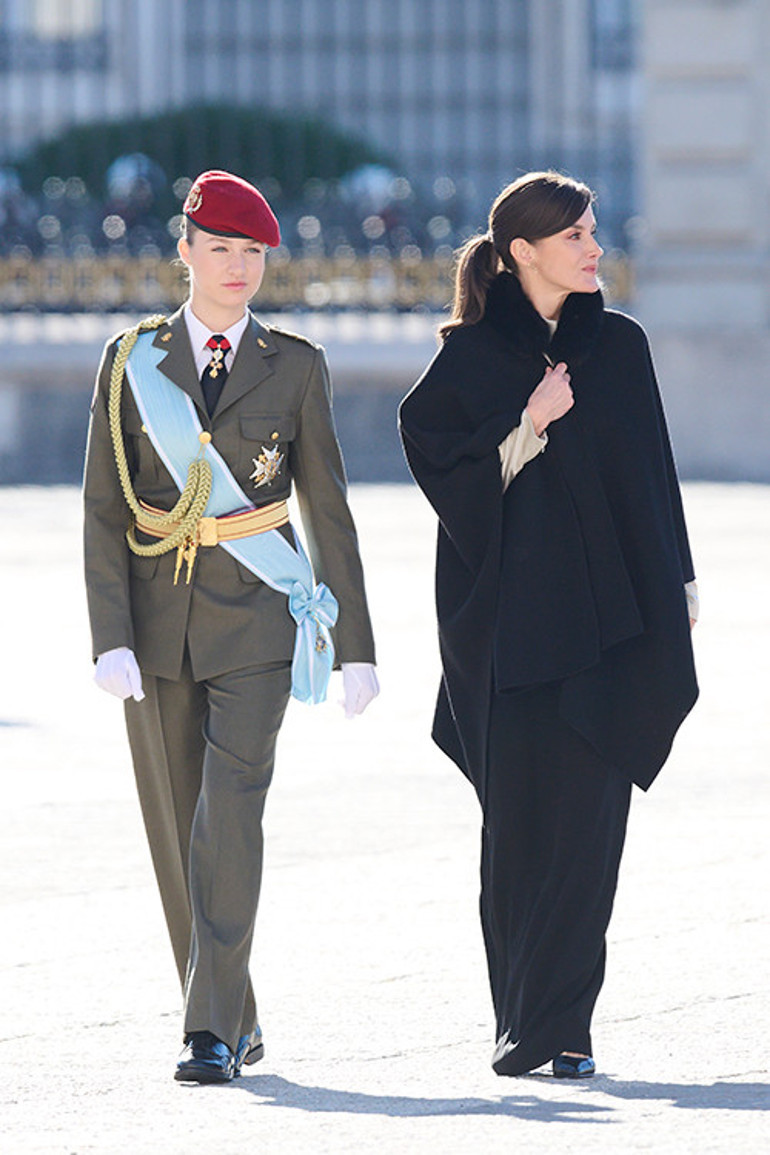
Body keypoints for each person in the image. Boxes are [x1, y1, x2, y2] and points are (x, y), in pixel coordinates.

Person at [399, 171, 698, 1079]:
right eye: (574, 235)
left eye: (593, 231)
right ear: (522, 250)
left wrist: (679, 586)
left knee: (589, 838)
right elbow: (443, 470)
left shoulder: (620, 346)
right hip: (512, 636)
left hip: (612, 630)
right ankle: (517, 1017)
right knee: (518, 836)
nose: (594, 247)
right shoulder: (472, 357)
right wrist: (527, 421)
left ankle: (565, 1028)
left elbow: (653, 475)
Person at [83, 169, 379, 1084]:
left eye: (252, 252)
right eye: (220, 248)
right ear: (186, 251)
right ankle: (233, 1017)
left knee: (229, 816)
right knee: (178, 830)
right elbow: (103, 508)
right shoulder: (132, 361)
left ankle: (206, 1032)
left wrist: (357, 646)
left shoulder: (296, 365)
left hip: (259, 622)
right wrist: (109, 634)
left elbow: (327, 509)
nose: (238, 266)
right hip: (158, 626)